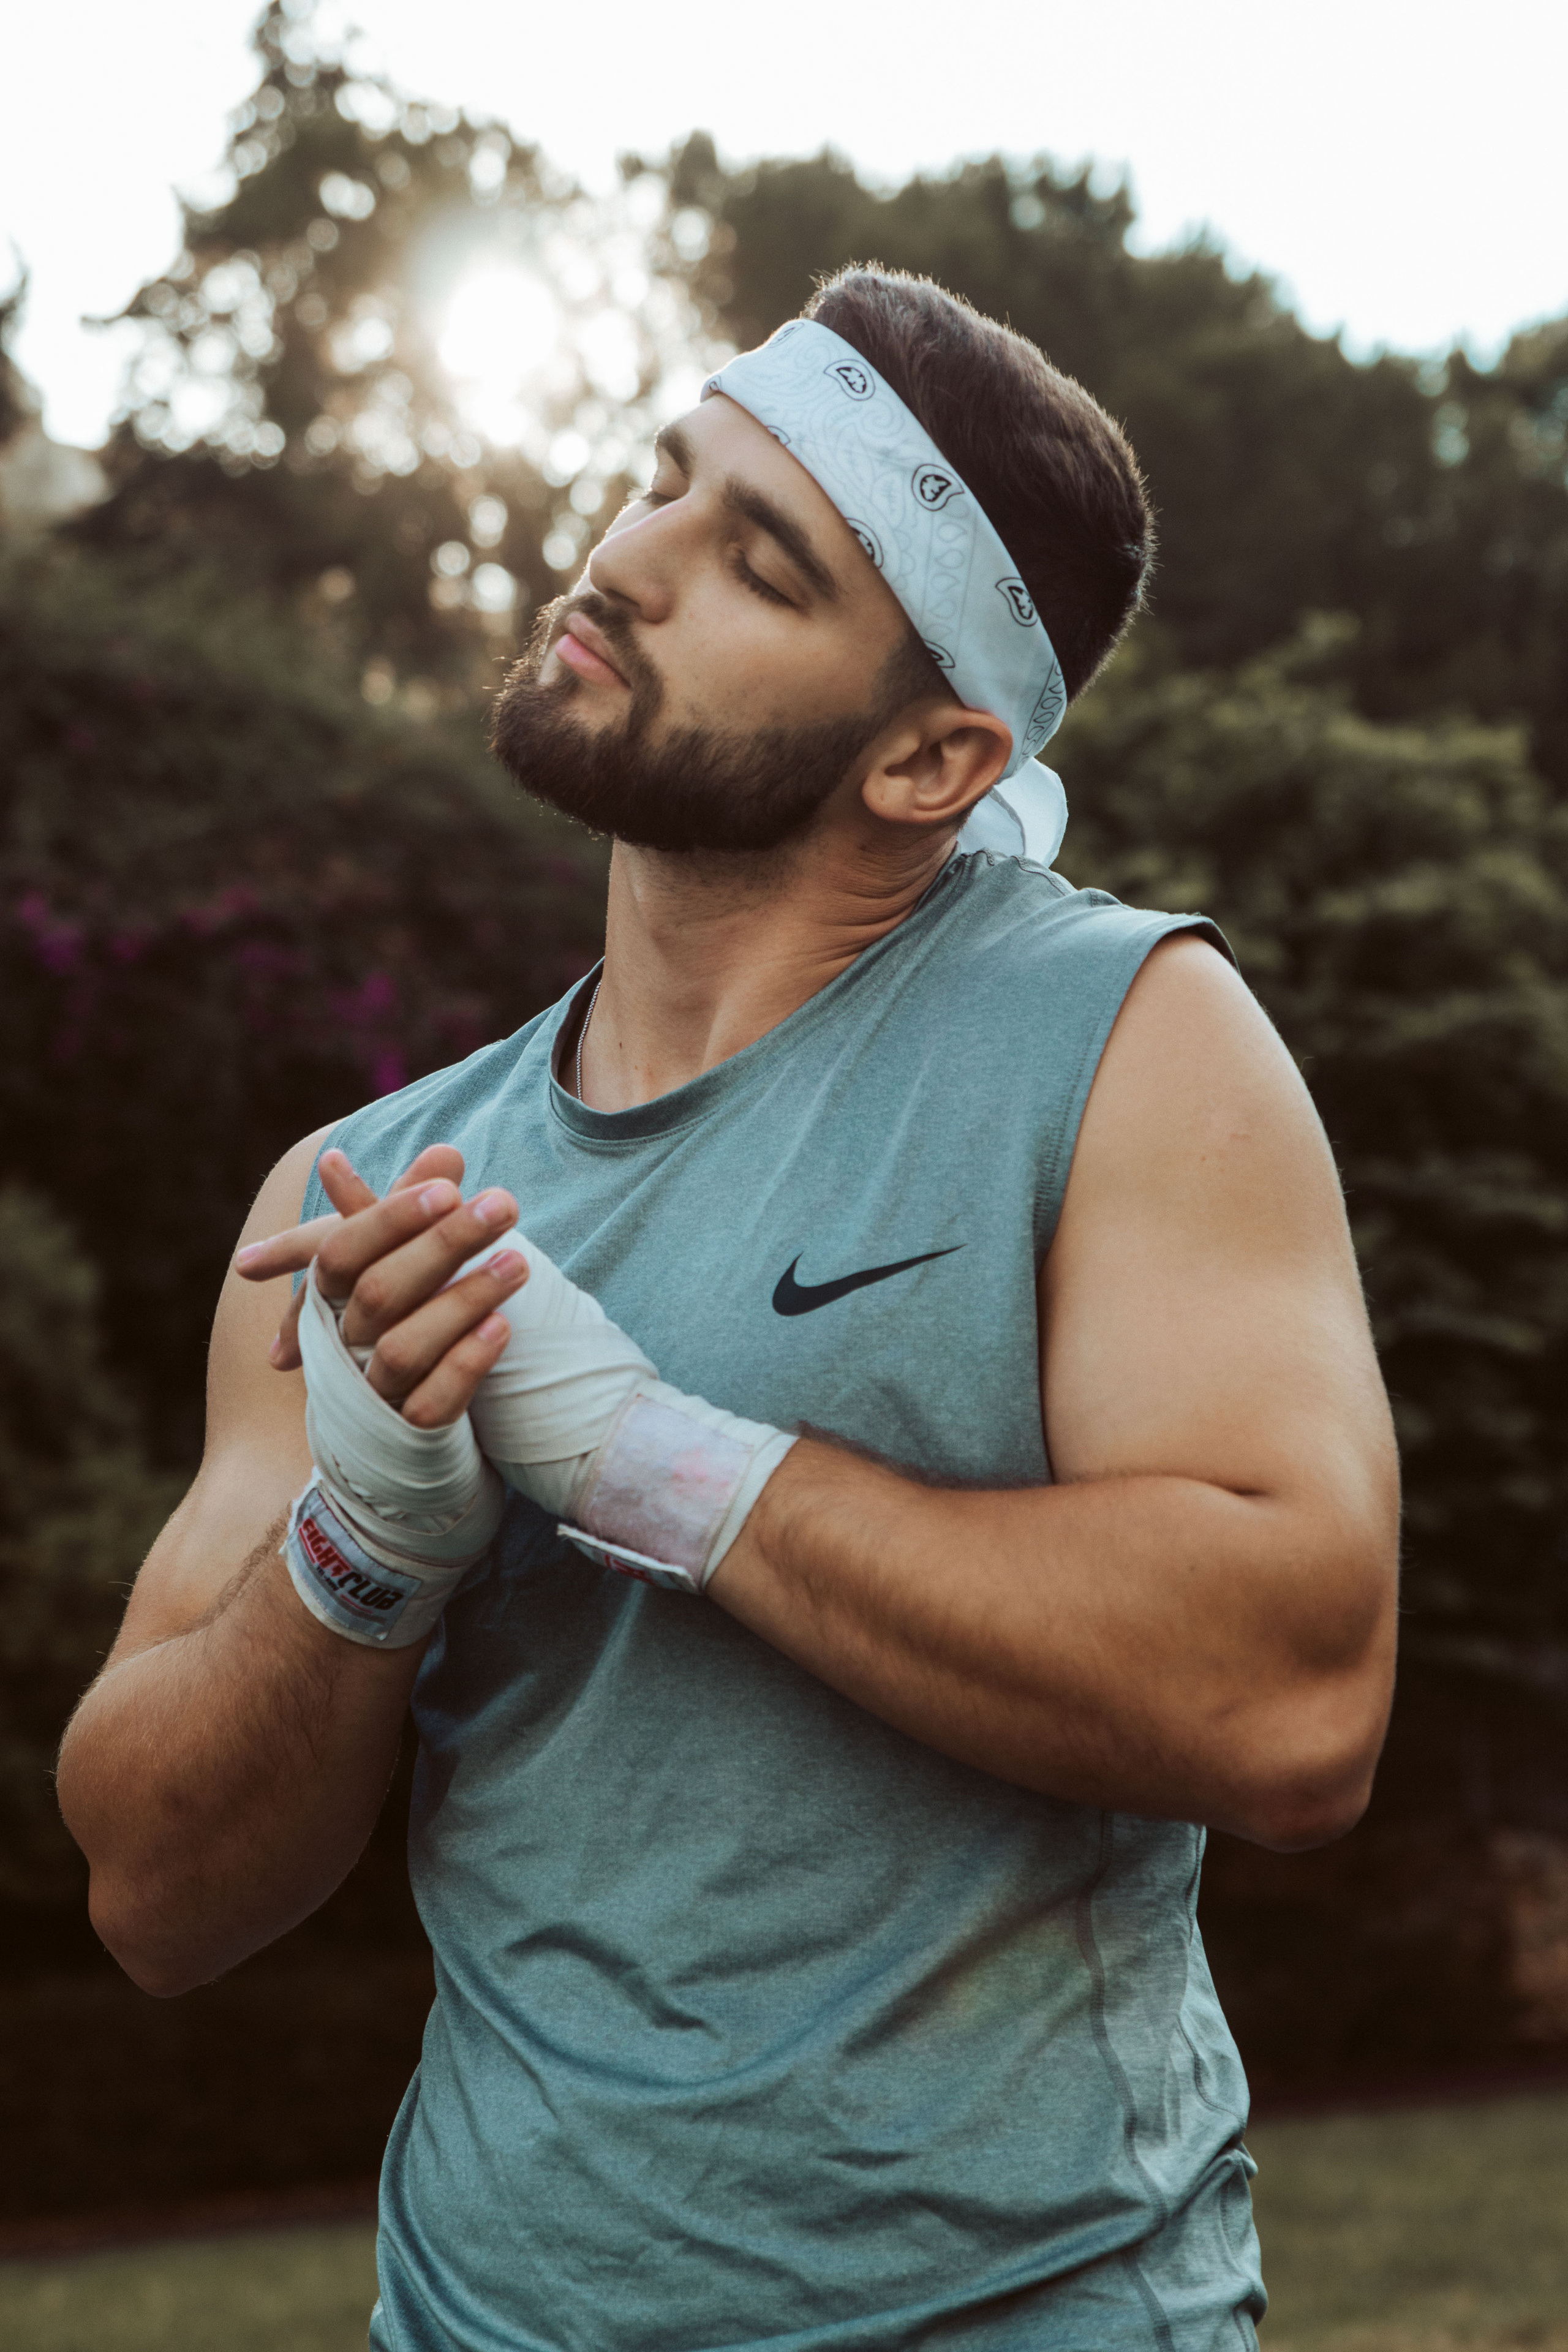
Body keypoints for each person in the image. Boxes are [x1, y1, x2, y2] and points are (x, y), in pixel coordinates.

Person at [58, 268, 1399, 2351]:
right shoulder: (369, 1196)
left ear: (936, 753)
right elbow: (152, 1896)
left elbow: (1297, 1701)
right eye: (664, 481)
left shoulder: (1125, 1035)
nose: (629, 560)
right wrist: (368, 1544)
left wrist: (644, 1458)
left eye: (756, 559)